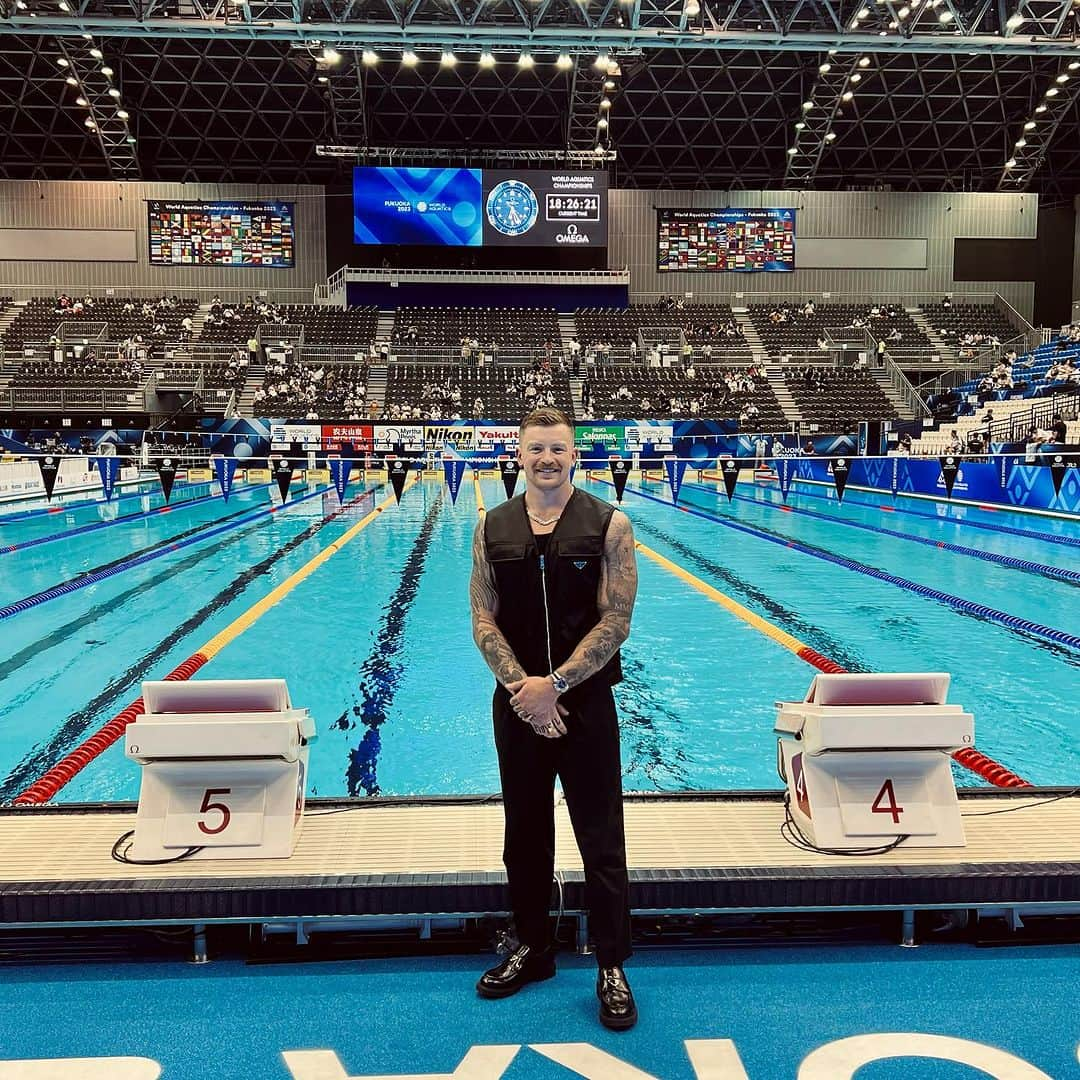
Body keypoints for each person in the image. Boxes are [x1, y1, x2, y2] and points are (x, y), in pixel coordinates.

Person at [469, 406, 638, 1031]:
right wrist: (523, 689)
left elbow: (615, 620)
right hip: (516, 703)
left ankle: (611, 965)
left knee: (602, 839)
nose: (546, 459)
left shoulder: (609, 524)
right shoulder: (491, 526)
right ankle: (534, 949)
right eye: (535, 448)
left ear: (574, 456)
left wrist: (557, 685)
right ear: (518, 455)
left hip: (586, 700)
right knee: (525, 835)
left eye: (557, 449)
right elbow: (482, 616)